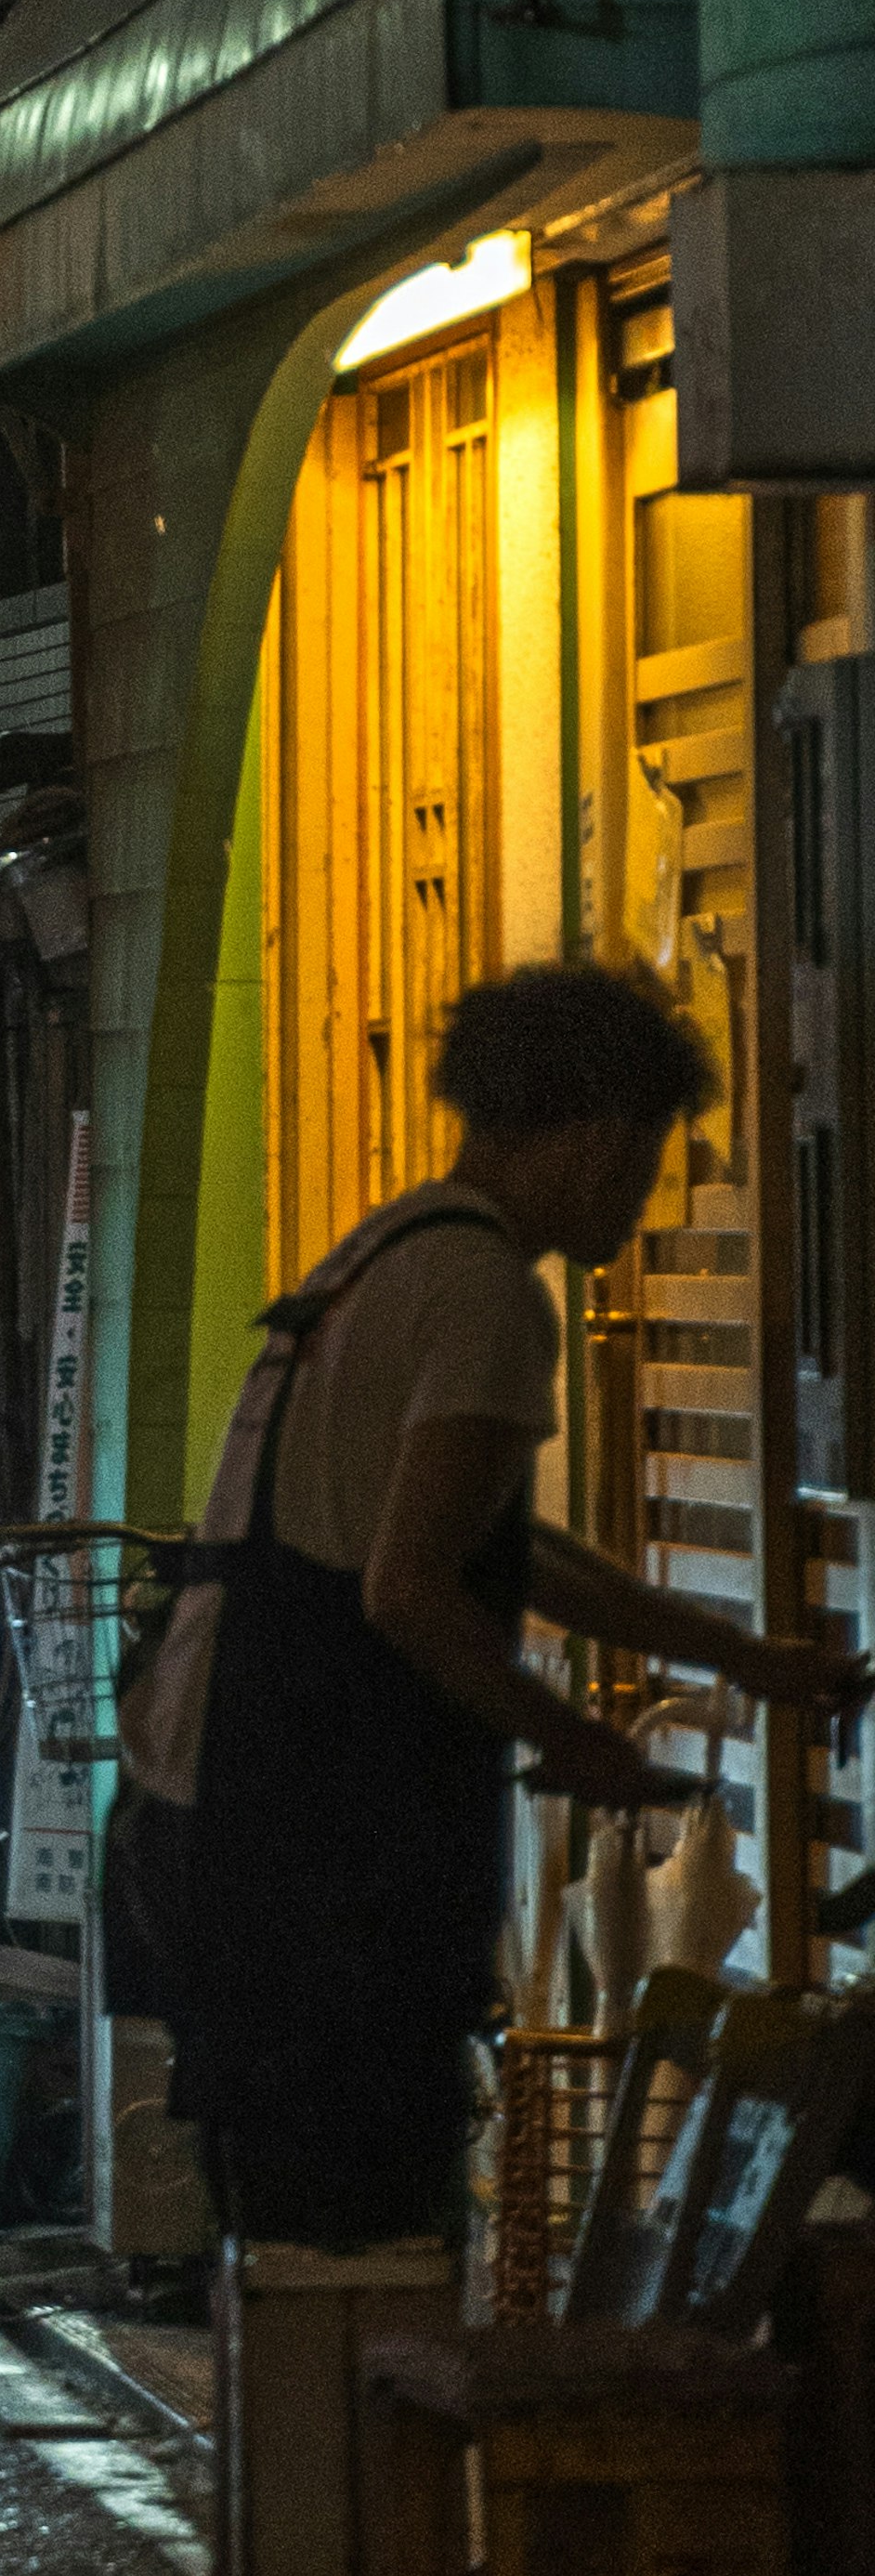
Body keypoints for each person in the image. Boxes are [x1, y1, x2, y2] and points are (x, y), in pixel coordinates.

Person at [117, 955, 859, 2264]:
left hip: (219, 1824)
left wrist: (737, 1654)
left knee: (297, 2241)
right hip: (315, 1856)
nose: (651, 1183)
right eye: (647, 1147)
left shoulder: (389, 1252)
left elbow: (498, 1550)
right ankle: (339, 2472)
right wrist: (568, 1736)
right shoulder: (485, 1294)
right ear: (585, 1132)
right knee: (356, 2246)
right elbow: (410, 1589)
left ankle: (306, 2464)